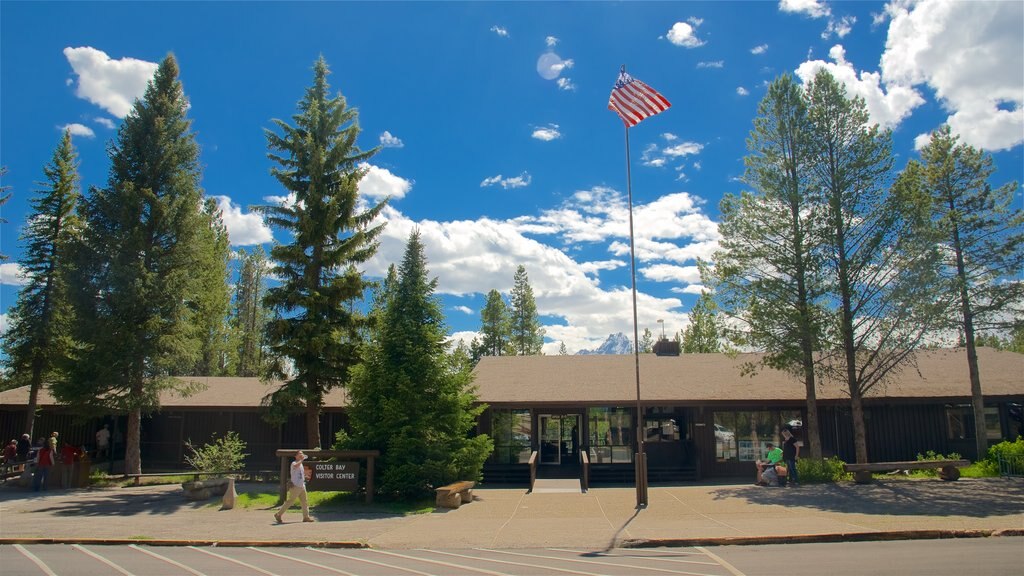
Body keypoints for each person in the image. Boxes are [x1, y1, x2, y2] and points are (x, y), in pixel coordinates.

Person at [275, 450, 314, 523]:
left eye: (302, 454)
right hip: (295, 486)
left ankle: (306, 517)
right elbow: (296, 466)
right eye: (299, 454)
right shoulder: (294, 463)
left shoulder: (301, 464)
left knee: (304, 502)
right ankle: (278, 514)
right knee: (290, 501)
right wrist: (301, 460)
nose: (301, 455)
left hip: (302, 486)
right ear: (295, 456)